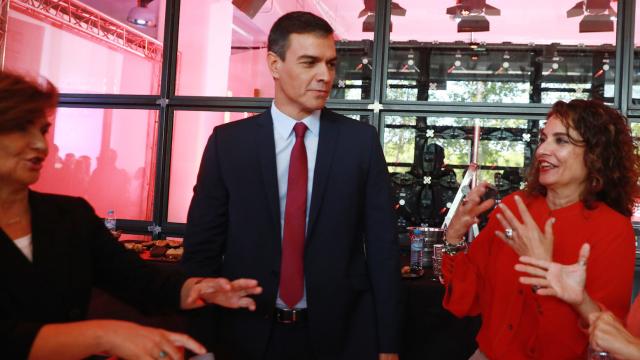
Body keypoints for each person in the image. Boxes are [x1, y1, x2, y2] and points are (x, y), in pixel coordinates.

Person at [182, 11, 400, 360]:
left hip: (340, 336)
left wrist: (388, 344)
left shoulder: (360, 143)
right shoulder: (229, 144)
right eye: (309, 62)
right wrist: (198, 344)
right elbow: (202, 248)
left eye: (330, 64)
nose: (324, 76)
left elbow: (382, 248)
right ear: (274, 64)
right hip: (246, 334)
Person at [0, 71, 263, 360]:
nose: (41, 145)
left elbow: (137, 279)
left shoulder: (70, 216)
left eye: (43, 130)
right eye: (22, 128)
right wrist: (102, 336)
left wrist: (197, 289)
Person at [441, 99, 639, 359]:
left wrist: (542, 272)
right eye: (543, 138)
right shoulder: (515, 207)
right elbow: (466, 301)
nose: (542, 150)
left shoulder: (613, 230)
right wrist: (454, 238)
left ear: (596, 154)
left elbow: (605, 340)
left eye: (561, 140)